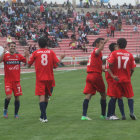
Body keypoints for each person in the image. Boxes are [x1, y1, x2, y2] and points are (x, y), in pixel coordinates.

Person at [28, 37, 65, 123]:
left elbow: (28, 65)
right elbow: (56, 65)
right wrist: (61, 58)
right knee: (46, 97)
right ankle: (42, 116)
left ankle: (44, 117)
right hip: (50, 79)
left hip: (40, 78)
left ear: (38, 44)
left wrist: (27, 56)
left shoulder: (35, 53)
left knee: (41, 97)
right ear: (46, 44)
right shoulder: (51, 52)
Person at [107, 38, 137, 120]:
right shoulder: (130, 55)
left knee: (119, 97)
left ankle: (123, 115)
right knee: (130, 96)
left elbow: (109, 65)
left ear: (118, 44)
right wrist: (129, 76)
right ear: (126, 45)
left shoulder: (114, 53)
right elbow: (133, 69)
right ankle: (131, 112)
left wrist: (113, 76)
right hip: (126, 79)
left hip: (117, 79)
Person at [81, 38, 108, 120]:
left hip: (89, 75)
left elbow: (99, 66)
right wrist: (105, 43)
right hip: (95, 76)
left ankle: (84, 116)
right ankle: (103, 115)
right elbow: (97, 51)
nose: (103, 45)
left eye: (103, 43)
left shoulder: (96, 53)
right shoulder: (96, 51)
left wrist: (106, 70)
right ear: (97, 44)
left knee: (88, 95)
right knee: (103, 94)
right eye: (101, 43)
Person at [0, 42, 27, 118]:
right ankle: (5, 110)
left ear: (15, 47)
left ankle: (16, 114)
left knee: (17, 98)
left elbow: (27, 61)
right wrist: (3, 52)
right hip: (8, 81)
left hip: (17, 81)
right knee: (8, 97)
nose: (13, 47)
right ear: (9, 47)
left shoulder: (18, 56)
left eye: (14, 46)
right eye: (11, 46)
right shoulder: (5, 56)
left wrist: (27, 54)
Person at [105, 43, 125, 120]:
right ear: (114, 48)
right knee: (114, 96)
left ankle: (110, 114)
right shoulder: (113, 55)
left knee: (116, 96)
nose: (118, 47)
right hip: (112, 78)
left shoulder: (112, 55)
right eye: (116, 46)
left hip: (112, 77)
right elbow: (108, 67)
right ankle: (110, 115)